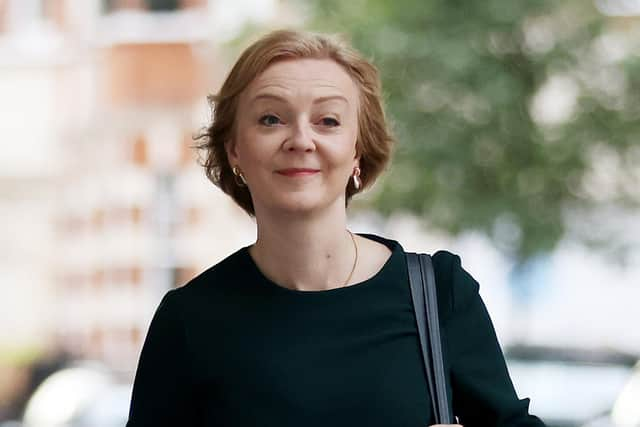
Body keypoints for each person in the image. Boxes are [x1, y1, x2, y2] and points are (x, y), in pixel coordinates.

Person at [126, 29, 546, 427]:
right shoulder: (189, 321)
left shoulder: (440, 296)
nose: (301, 139)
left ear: (358, 149)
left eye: (328, 121)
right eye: (271, 119)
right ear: (234, 148)